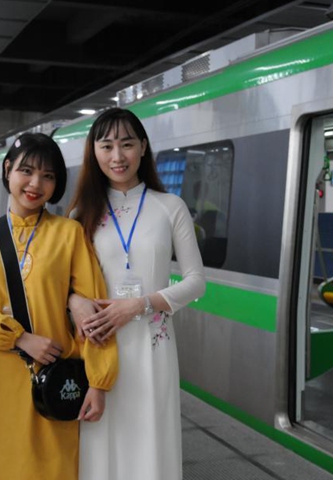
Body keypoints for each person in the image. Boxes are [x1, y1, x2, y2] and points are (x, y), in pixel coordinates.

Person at [0, 133, 118, 480]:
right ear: (8, 169)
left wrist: (100, 382)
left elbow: (96, 314)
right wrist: (18, 337)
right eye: (26, 171)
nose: (35, 183)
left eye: (48, 176)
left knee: (50, 465)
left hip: (53, 377)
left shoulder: (69, 234)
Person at [68, 108, 206, 480]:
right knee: (100, 441)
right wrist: (74, 301)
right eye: (107, 145)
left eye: (127, 144)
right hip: (98, 348)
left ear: (143, 148)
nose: (118, 156)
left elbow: (196, 281)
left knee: (151, 442)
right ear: (93, 152)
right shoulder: (82, 213)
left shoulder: (170, 207)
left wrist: (140, 305)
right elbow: (63, 282)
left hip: (153, 346)